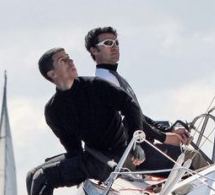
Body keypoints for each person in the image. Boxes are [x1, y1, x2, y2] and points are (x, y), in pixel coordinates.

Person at [0, 47, 144, 195]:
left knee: (43, 176)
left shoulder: (96, 86)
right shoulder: (53, 110)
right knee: (34, 176)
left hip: (115, 159)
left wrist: (136, 141)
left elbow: (131, 107)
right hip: (92, 157)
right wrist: (61, 165)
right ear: (52, 74)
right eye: (63, 60)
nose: (71, 61)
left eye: (69, 58)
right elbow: (73, 151)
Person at [85, 26, 202, 174]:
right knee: (192, 157)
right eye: (108, 43)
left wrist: (168, 130)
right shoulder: (104, 81)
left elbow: (138, 115)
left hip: (136, 145)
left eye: (116, 43)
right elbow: (127, 120)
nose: (114, 47)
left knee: (186, 155)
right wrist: (165, 137)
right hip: (127, 154)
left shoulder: (115, 78)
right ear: (94, 50)